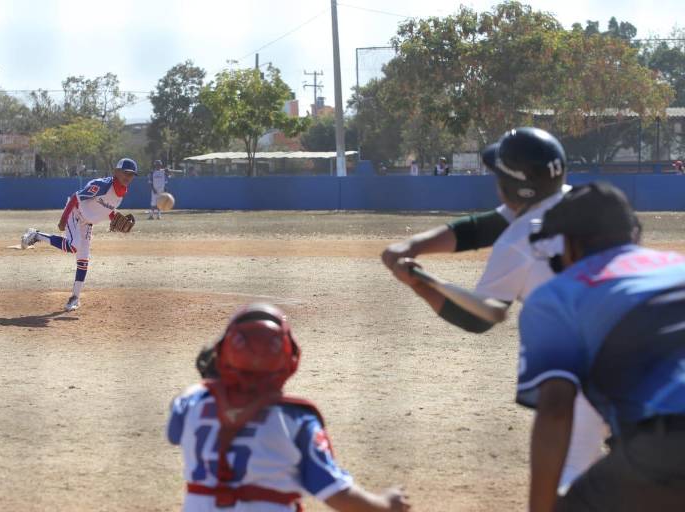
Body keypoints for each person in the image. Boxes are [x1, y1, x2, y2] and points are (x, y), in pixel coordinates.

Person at [382, 127, 605, 493]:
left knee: (568, 483)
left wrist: (419, 284)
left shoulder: (518, 243)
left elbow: (479, 318)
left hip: (582, 372)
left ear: (516, 188)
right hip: (649, 349)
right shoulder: (594, 203)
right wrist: (413, 245)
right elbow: (486, 226)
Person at [519, 181, 685, 511]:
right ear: (633, 234)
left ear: (572, 245)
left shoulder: (559, 295)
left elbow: (555, 411)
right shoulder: (677, 266)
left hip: (667, 448)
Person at [169, 303, 411, 512]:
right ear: (289, 360)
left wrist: (217, 379)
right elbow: (336, 494)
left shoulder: (191, 401)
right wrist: (386, 504)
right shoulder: (297, 418)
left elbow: (175, 430)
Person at [19, 158, 139, 311]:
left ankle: (74, 298)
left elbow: (107, 209)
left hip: (87, 223)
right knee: (73, 246)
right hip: (76, 213)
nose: (128, 177)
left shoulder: (121, 194)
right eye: (125, 173)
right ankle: (36, 235)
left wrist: (114, 218)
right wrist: (63, 219)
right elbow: (76, 197)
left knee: (83, 260)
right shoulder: (102, 186)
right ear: (116, 172)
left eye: (132, 175)